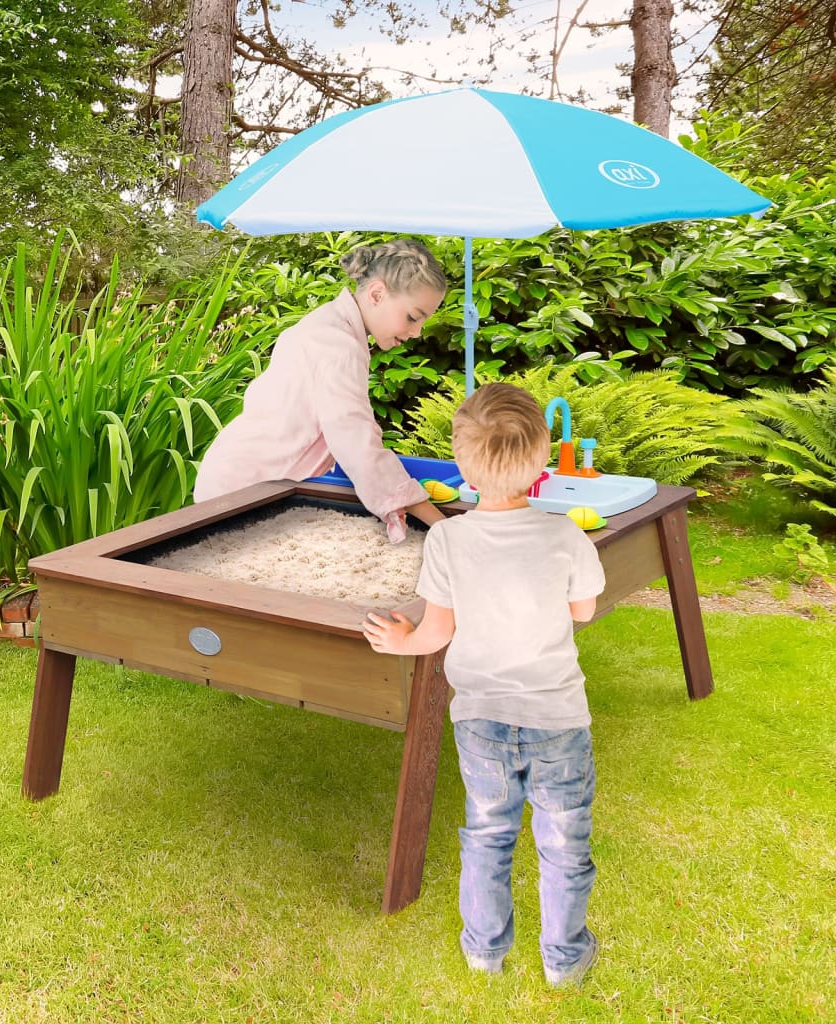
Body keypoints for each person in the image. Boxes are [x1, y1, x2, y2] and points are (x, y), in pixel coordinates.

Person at [362, 382, 606, 986]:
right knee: (564, 844)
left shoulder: (447, 538)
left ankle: (485, 951)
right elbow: (584, 612)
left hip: (481, 722)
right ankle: (564, 961)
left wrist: (399, 641)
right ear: (542, 466)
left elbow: (433, 634)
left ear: (463, 467)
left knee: (489, 835)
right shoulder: (566, 537)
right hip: (557, 719)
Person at [193, 238, 448, 541]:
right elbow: (356, 441)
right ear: (377, 294)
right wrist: (439, 523)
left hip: (239, 477)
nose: (417, 331)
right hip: (243, 488)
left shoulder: (331, 325)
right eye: (413, 317)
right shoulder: (337, 346)